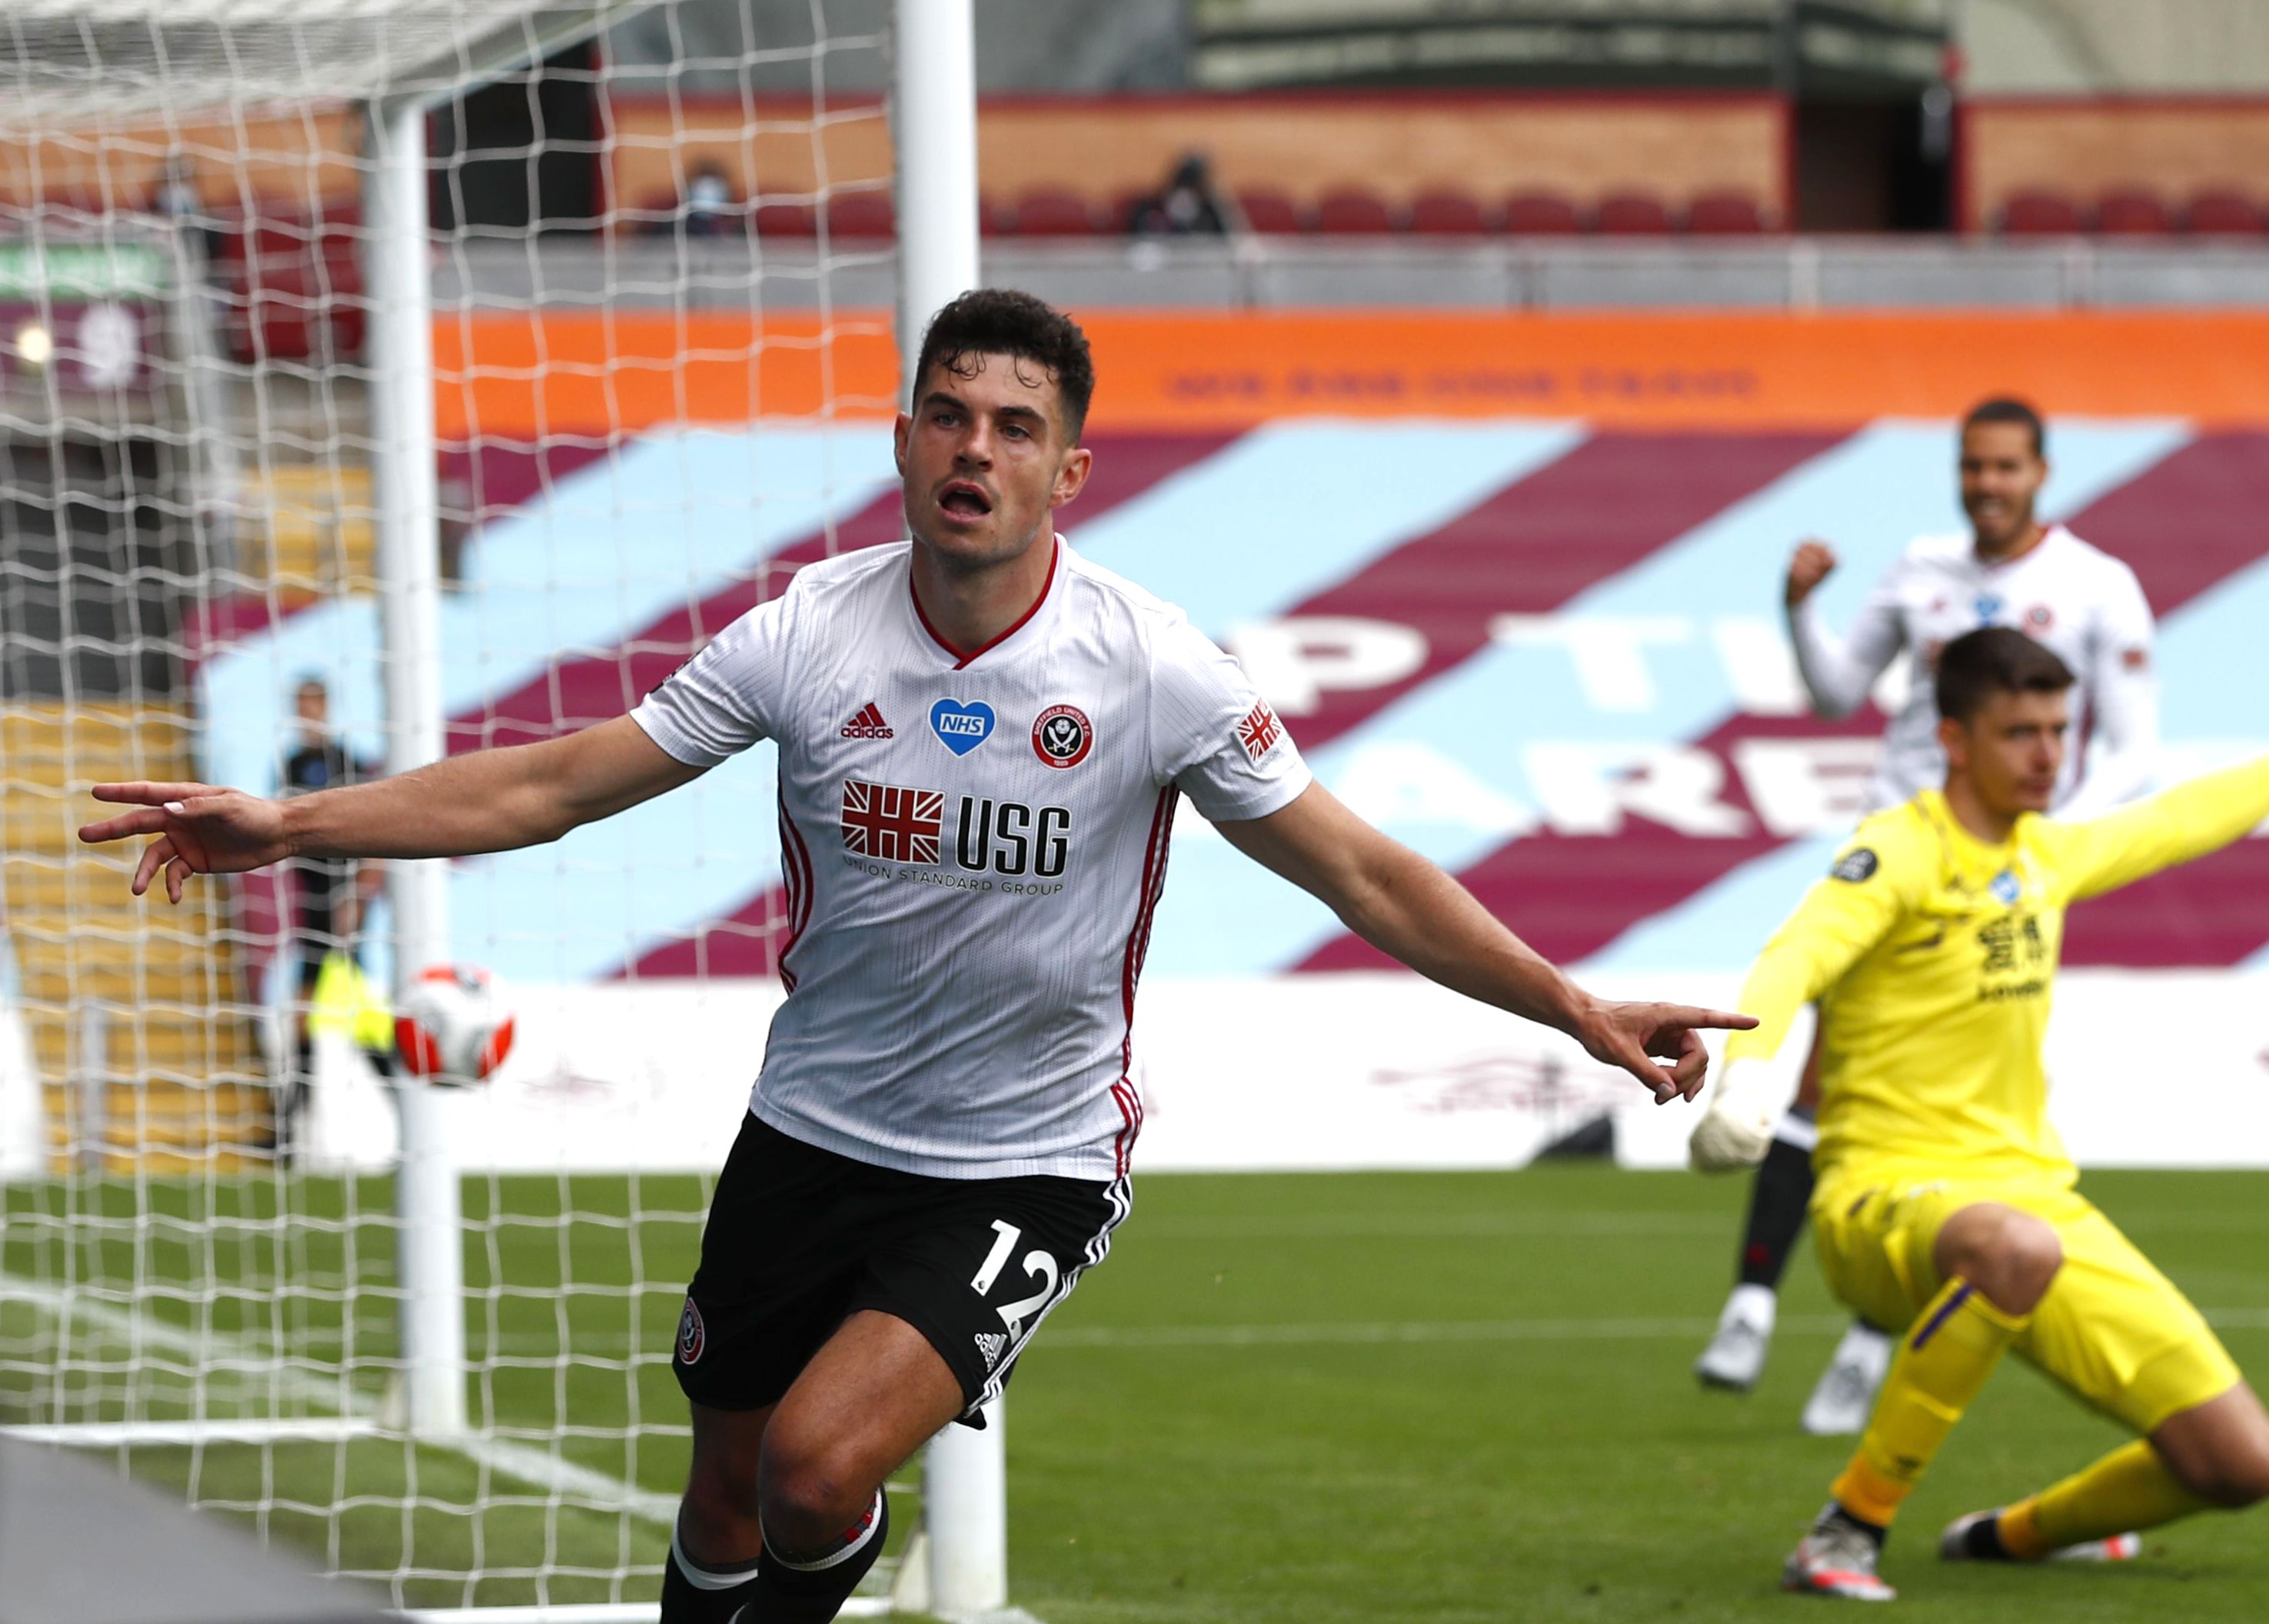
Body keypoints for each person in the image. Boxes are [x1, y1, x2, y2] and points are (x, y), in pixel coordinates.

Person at [82, 288, 1754, 1624]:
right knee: (725, 1490)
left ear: (1067, 472)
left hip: (1023, 1158)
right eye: (948, 411)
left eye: (1016, 425)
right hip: (809, 1128)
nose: (976, 447)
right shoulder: (806, 633)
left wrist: (1576, 1005)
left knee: (816, 1474)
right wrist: (294, 829)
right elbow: (551, 783)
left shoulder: (1154, 667)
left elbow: (1366, 875)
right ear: (901, 437)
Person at [1686, 625, 2269, 1600]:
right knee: (2014, 1250)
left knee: (2244, 1466)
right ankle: (1845, 1528)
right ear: (1953, 739)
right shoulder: (1896, 852)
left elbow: (2179, 819)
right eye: (2018, 733)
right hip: (1881, 1196)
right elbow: (1795, 958)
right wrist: (1745, 1077)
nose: (2047, 754)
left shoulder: (2044, 854)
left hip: (2031, 1201)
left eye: (2057, 729)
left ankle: (2011, 1537)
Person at [1697, 396, 2161, 1436]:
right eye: (1970, 467)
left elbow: (2131, 747)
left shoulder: (2097, 588)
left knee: (1952, 1098)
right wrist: (1795, 610)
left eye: (2004, 467)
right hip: (1896, 852)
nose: (1985, 484)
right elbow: (1834, 695)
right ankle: (1753, 1303)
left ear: (2040, 473)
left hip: (2008, 872)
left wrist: (2046, 849)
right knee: (1835, 1070)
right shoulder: (1919, 568)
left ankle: (1863, 1348)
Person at [272, 676, 381, 1155]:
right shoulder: (290, 764)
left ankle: (288, 1137)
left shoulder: (347, 762)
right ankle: (291, 1134)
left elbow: (379, 837)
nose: (307, 711)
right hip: (309, 905)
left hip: (344, 907)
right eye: (301, 704)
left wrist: (359, 897)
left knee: (356, 1020)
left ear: (326, 706)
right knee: (306, 1017)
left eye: (314, 703)